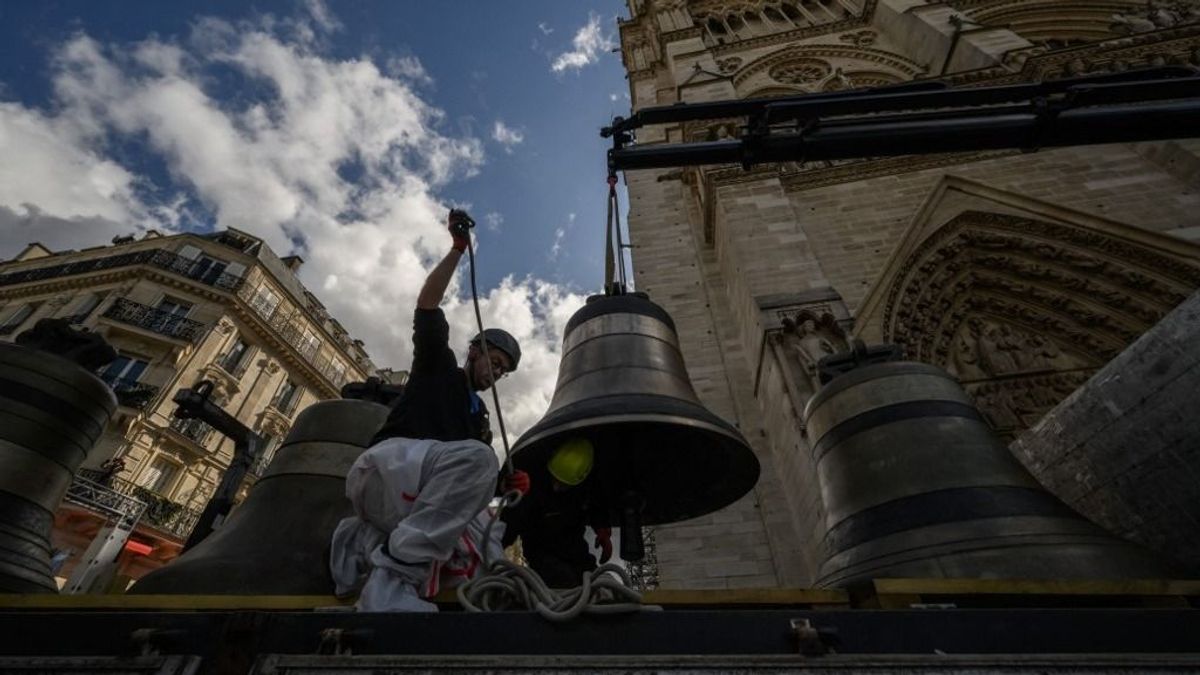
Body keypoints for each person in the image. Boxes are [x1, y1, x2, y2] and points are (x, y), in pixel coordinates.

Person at [330, 209, 528, 612]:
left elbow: (461, 489)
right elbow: (427, 304)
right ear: (473, 351)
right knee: (479, 459)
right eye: (494, 360)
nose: (497, 372)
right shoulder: (438, 367)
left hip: (413, 497)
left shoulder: (479, 423)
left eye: (504, 371)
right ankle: (392, 581)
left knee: (492, 538)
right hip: (389, 468)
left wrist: (502, 491)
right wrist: (457, 250)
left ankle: (385, 556)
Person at [501, 438, 613, 587]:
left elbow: (596, 505)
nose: (556, 487)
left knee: (604, 583)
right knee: (564, 582)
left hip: (576, 551)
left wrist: (602, 529)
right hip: (542, 556)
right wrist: (493, 547)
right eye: (554, 480)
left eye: (562, 484)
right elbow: (509, 524)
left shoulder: (586, 489)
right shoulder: (534, 486)